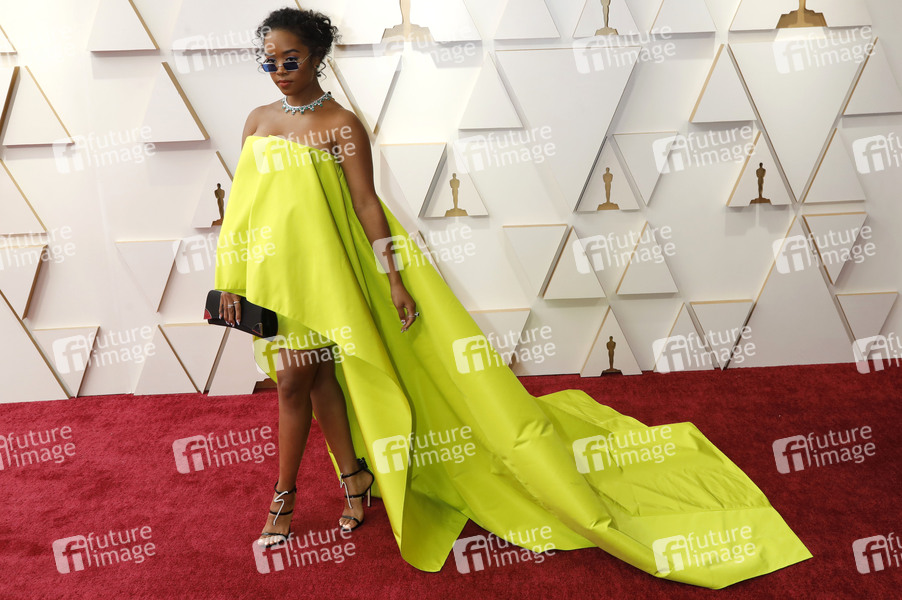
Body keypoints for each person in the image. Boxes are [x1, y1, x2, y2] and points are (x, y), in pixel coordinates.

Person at [214, 7, 811, 588]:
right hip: (276, 276)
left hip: (331, 274)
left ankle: (294, 496)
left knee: (305, 381)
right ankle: (348, 482)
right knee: (309, 380)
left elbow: (367, 204)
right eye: (269, 61)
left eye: (290, 59)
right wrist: (230, 279)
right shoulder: (257, 121)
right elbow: (243, 210)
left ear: (317, 56)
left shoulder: (340, 125)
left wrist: (394, 279)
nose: (279, 71)